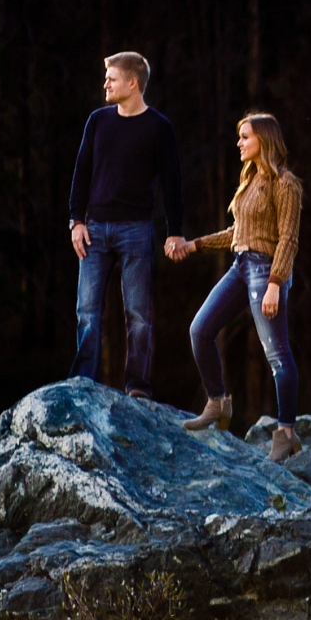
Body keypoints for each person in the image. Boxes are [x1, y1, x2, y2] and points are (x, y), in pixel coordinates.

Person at [166, 111, 308, 459]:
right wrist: (194, 244)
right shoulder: (249, 180)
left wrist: (276, 282)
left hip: (266, 271)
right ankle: (218, 402)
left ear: (264, 139)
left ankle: (286, 431)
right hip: (240, 266)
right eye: (239, 136)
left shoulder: (285, 183)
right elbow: (237, 233)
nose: (239, 143)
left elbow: (288, 239)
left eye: (245, 136)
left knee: (277, 355)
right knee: (199, 330)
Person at [65, 52, 190, 391]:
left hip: (136, 230)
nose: (105, 83)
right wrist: (76, 220)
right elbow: (81, 173)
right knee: (87, 310)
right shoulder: (98, 121)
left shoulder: (159, 128)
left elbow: (172, 184)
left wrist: (174, 232)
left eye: (112, 77)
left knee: (139, 316)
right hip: (94, 230)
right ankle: (83, 384)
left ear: (132, 83)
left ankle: (137, 387)